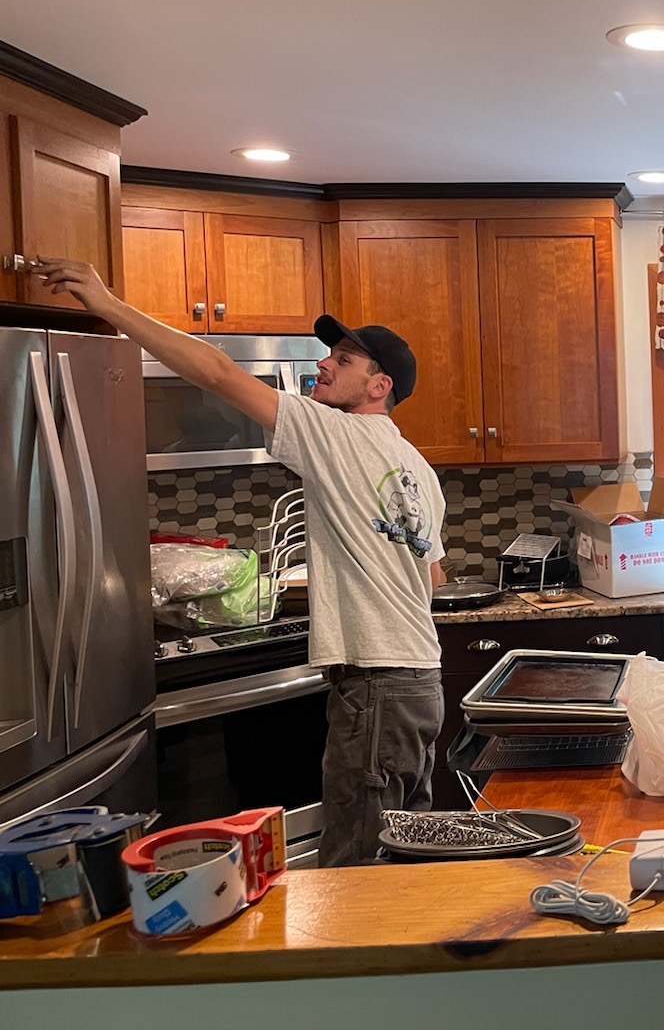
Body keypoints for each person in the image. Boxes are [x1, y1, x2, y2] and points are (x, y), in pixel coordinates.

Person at [33, 257, 447, 867]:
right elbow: (430, 579)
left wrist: (108, 305)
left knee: (357, 866)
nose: (323, 363)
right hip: (421, 683)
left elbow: (221, 373)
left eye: (343, 360)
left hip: (377, 683)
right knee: (402, 850)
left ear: (379, 385)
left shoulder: (334, 433)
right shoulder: (419, 469)